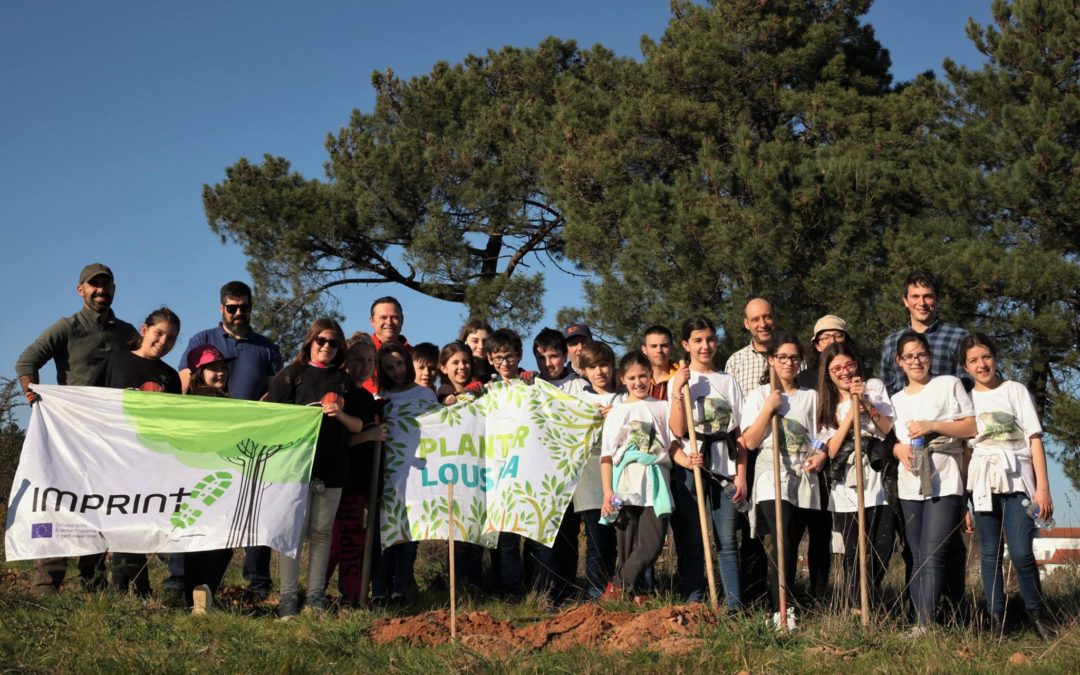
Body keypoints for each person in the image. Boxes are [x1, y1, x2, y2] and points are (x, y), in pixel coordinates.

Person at [15, 262, 139, 594]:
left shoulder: (127, 333)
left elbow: (144, 365)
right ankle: (47, 587)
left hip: (111, 437)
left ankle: (94, 585)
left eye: (107, 284)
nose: (101, 290)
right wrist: (35, 398)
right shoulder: (66, 327)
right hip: (68, 434)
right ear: (80, 289)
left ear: (114, 288)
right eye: (93, 285)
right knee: (58, 505)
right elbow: (26, 362)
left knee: (97, 508)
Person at [176, 280, 283, 601]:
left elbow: (275, 393)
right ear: (221, 308)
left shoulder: (267, 348)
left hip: (251, 443)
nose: (238, 313)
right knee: (195, 507)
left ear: (251, 307)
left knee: (253, 509)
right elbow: (184, 387)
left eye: (244, 307)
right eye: (232, 308)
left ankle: (257, 584)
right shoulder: (202, 340)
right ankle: (179, 581)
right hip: (206, 443)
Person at [266, 318, 373, 619]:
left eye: (333, 342)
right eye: (321, 341)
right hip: (294, 469)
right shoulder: (292, 374)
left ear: (340, 348)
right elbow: (273, 417)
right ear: (310, 342)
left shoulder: (345, 383)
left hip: (334, 468)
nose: (326, 347)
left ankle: (315, 599)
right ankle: (287, 599)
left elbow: (357, 426)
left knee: (322, 532)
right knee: (293, 533)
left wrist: (339, 414)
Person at [962, 334, 1055, 640]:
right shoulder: (965, 398)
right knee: (988, 554)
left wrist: (1043, 488)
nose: (981, 364)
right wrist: (964, 501)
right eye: (974, 360)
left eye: (986, 357)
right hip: (983, 481)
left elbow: (1034, 439)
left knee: (1020, 551)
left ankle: (1037, 612)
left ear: (995, 358)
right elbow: (964, 450)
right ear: (965, 366)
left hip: (1018, 480)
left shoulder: (1014, 390)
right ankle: (996, 619)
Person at [91, 307, 183, 597]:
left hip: (152, 461)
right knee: (122, 521)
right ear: (145, 330)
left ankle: (138, 587)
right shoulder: (116, 361)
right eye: (159, 333)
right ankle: (121, 588)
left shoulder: (169, 376)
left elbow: (176, 421)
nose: (163, 341)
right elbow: (88, 400)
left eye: (171, 338)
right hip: (116, 457)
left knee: (142, 521)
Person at [739, 332, 828, 629]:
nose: (788, 363)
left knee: (791, 539)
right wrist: (768, 409)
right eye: (782, 357)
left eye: (794, 357)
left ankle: (783, 602)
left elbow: (821, 435)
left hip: (803, 473)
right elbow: (749, 441)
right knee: (781, 536)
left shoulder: (811, 397)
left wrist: (819, 454)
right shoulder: (759, 395)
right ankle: (781, 608)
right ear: (771, 360)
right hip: (770, 472)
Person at [890, 332, 976, 632]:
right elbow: (892, 437)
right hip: (909, 483)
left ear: (929, 356)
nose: (916, 361)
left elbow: (971, 425)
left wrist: (932, 426)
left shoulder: (948, 384)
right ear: (899, 362)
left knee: (932, 554)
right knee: (915, 556)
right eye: (909, 356)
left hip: (945, 479)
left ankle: (926, 624)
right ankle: (919, 621)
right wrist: (897, 448)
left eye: (921, 354)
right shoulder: (895, 400)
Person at [599, 351, 696, 604]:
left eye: (643, 376)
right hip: (626, 483)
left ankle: (616, 587)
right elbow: (607, 456)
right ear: (622, 379)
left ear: (651, 377)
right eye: (632, 377)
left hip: (656, 482)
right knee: (627, 547)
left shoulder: (662, 407)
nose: (638, 382)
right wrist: (608, 492)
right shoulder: (618, 412)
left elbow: (673, 444)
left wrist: (687, 461)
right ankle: (635, 597)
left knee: (651, 543)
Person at [666, 316, 745, 610]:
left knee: (727, 540)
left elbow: (739, 433)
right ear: (686, 345)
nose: (705, 346)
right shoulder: (681, 380)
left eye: (710, 339)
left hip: (724, 470)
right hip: (694, 469)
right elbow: (677, 430)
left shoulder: (728, 381)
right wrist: (678, 389)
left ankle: (733, 607)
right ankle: (695, 600)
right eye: (697, 340)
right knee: (693, 539)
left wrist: (741, 475)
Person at [816, 342, 896, 607]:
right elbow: (831, 449)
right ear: (828, 372)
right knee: (854, 551)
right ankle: (857, 606)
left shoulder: (873, 387)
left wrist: (864, 401)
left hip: (877, 476)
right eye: (836, 368)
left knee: (883, 546)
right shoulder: (826, 402)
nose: (844, 372)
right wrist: (850, 414)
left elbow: (885, 428)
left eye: (848, 365)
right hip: (846, 482)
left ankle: (864, 597)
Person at [371, 341, 436, 604]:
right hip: (387, 471)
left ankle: (400, 588)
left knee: (410, 530)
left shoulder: (426, 394)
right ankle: (378, 590)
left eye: (399, 363)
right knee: (383, 530)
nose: (396, 370)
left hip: (417, 470)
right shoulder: (380, 398)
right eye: (389, 367)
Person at [723, 298, 778, 604]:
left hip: (784, 452)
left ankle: (780, 596)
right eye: (755, 319)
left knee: (779, 529)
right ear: (746, 324)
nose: (762, 323)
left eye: (767, 317)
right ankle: (752, 595)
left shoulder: (791, 356)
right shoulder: (735, 362)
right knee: (751, 528)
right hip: (748, 452)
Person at [324, 332, 382, 608]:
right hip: (340, 478)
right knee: (339, 541)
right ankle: (326, 593)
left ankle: (350, 595)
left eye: (370, 360)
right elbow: (336, 440)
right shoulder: (342, 393)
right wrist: (368, 437)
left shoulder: (366, 397)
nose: (365, 365)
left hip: (359, 480)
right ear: (347, 360)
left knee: (350, 539)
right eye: (358, 359)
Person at [180, 344, 240, 609]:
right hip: (198, 480)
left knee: (219, 538)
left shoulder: (229, 403)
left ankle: (201, 596)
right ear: (198, 372)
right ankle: (199, 595)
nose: (220, 373)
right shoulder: (189, 404)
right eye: (213, 368)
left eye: (223, 368)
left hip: (223, 479)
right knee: (205, 538)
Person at [484, 328, 535, 597]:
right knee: (505, 538)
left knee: (534, 536)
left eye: (510, 356)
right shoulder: (485, 391)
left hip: (528, 470)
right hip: (496, 473)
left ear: (519, 356)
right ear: (490, 359)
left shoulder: (532, 387)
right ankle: (510, 592)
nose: (505, 363)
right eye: (499, 358)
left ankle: (537, 591)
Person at [570, 341, 621, 600]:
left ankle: (626, 589)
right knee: (597, 538)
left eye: (604, 365)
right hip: (590, 473)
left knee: (623, 537)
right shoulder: (578, 400)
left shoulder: (625, 397)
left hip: (623, 471)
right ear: (584, 371)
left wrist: (621, 414)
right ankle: (595, 593)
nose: (599, 371)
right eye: (592, 367)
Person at [363, 296, 409, 394]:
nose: (389, 322)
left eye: (394, 317)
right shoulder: (358, 354)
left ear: (402, 320)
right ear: (372, 321)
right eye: (383, 317)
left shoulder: (415, 355)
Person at [796, 315, 850, 389]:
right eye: (826, 337)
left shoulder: (856, 372)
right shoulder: (805, 379)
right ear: (817, 346)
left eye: (838, 335)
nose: (832, 341)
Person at [436, 341, 484, 406]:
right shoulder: (441, 395)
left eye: (465, 362)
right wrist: (445, 400)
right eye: (455, 363)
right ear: (444, 369)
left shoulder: (480, 386)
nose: (462, 366)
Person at [534, 328, 582, 392]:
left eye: (553, 356)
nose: (548, 364)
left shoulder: (580, 385)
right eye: (542, 358)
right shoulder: (529, 385)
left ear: (565, 356)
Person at [642, 325, 678, 401]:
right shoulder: (636, 379)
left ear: (672, 347)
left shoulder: (682, 375)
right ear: (644, 349)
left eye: (664, 346)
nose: (659, 350)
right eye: (653, 346)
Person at [458, 318, 494, 383]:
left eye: (485, 341)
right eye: (475, 341)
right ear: (465, 342)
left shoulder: (498, 369)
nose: (481, 346)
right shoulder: (459, 371)